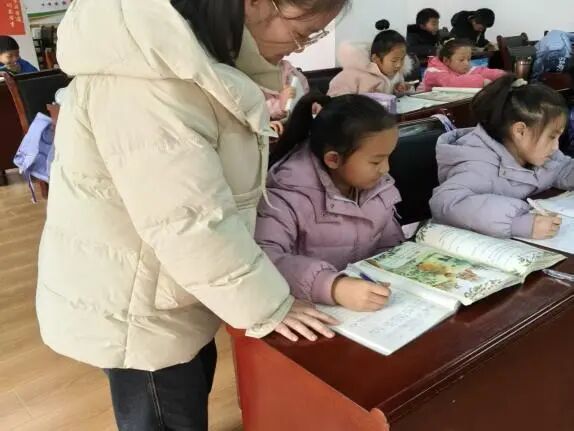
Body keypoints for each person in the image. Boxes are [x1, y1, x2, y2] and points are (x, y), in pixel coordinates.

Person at [35, 0, 350, 430]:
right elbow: (190, 224)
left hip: (169, 287)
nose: (299, 48)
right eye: (302, 33)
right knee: (165, 411)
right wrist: (271, 306)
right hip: (139, 307)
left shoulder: (184, 63)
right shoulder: (148, 83)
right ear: (257, 3)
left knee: (186, 390)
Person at [256, 93, 404, 311]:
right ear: (333, 159)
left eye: (388, 157)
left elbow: (389, 241)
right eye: (376, 161)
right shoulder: (287, 193)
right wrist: (333, 286)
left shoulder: (376, 185)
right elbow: (265, 259)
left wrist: (395, 267)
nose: (386, 169)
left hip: (367, 303)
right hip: (308, 306)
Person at [430, 75, 574, 240]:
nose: (556, 146)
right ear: (520, 131)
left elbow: (563, 169)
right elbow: (447, 204)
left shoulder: (539, 153)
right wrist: (518, 223)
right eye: (552, 137)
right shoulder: (477, 165)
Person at [328, 20, 413, 97]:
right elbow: (335, 99)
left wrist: (401, 89)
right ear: (376, 58)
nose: (399, 65)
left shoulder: (397, 74)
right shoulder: (353, 74)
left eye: (402, 59)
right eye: (394, 60)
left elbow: (396, 99)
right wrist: (367, 99)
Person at [420, 38, 506, 91]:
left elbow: (478, 71)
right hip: (427, 110)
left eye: (468, 59)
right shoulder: (434, 72)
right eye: (461, 60)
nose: (466, 63)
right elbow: (451, 83)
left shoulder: (458, 67)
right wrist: (482, 82)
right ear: (446, 61)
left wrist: (503, 75)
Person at [262, 59, 310, 136]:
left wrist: (312, 103)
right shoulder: (249, 74)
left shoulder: (287, 67)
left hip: (298, 126)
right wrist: (281, 105)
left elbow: (305, 90)